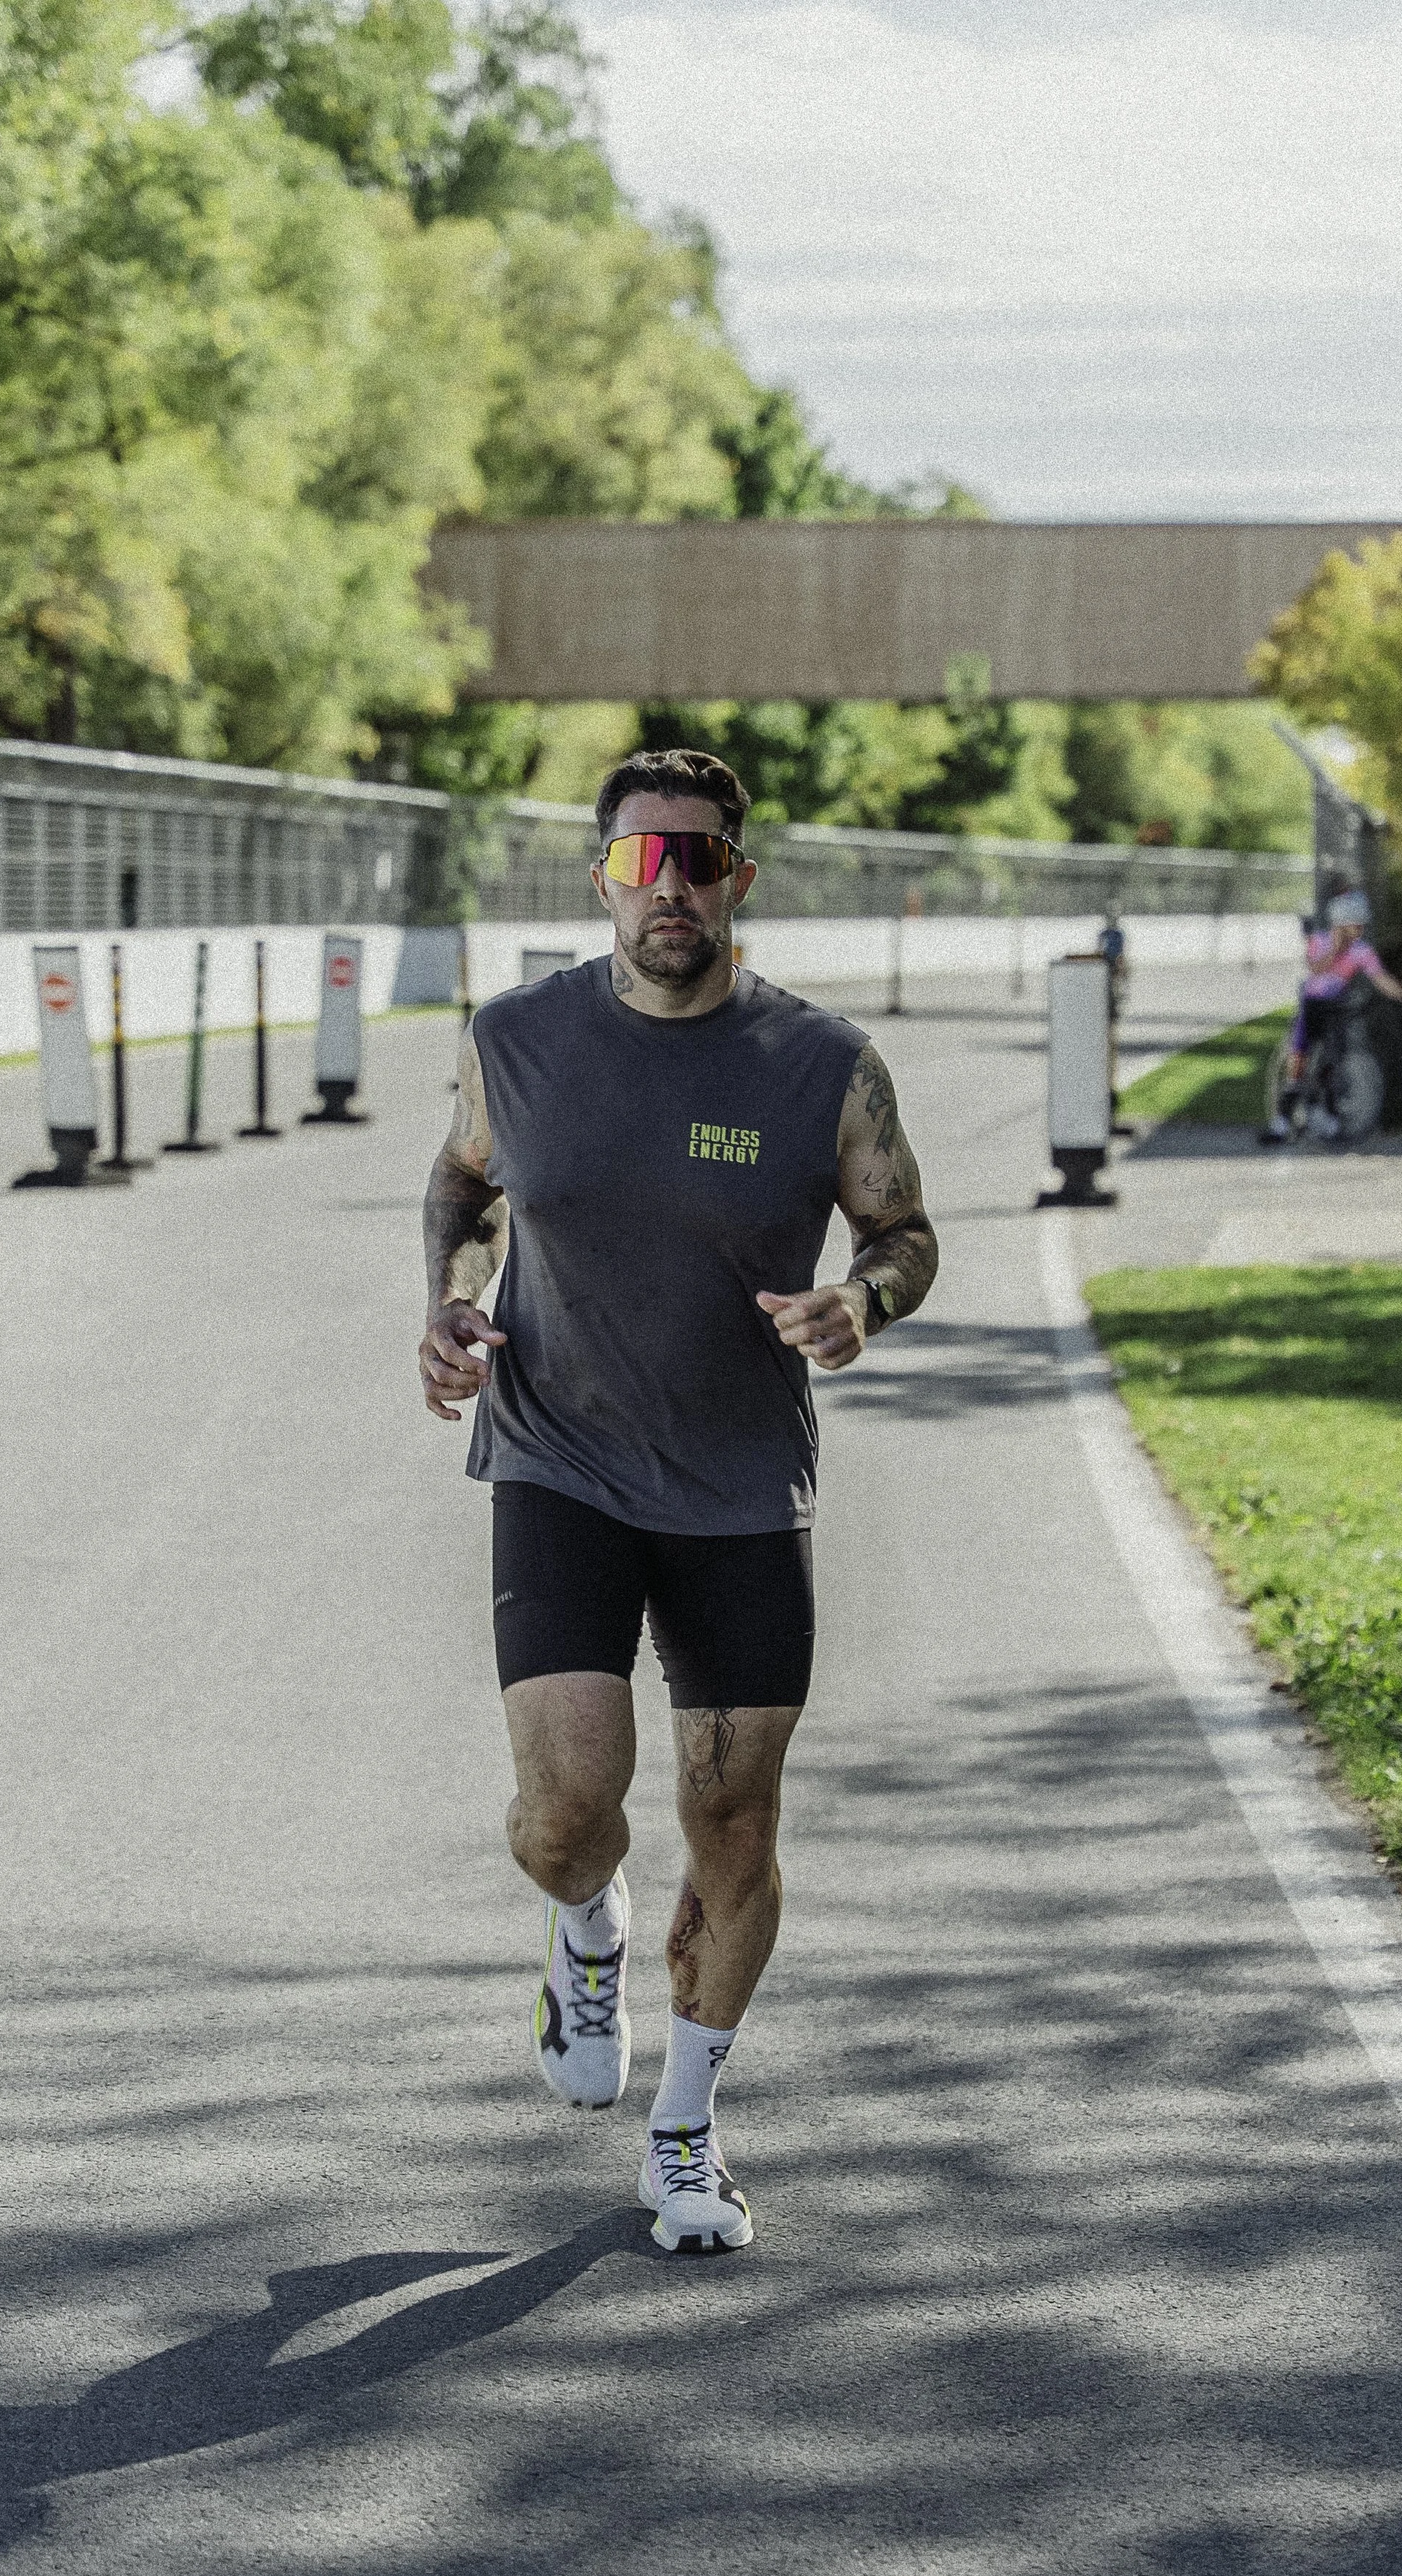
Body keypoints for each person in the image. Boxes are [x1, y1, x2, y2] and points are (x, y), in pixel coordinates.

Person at [418, 748, 938, 2255]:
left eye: (696, 861)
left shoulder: (820, 1064)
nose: (670, 889)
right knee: (566, 1811)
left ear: (737, 879)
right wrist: (448, 1301)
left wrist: (862, 1300)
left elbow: (901, 1226)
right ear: (601, 876)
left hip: (736, 1484)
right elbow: (465, 1182)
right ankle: (583, 1931)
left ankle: (687, 2124)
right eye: (642, 863)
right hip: (556, 1460)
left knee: (731, 1818)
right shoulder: (512, 1039)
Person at [1261, 888, 1402, 1144]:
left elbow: (1381, 979)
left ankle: (1330, 1116)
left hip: (1336, 1009)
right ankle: (1282, 1122)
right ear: (1342, 925)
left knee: (1334, 1061)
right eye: (1356, 926)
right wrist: (1335, 948)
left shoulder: (1362, 951)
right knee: (1298, 1059)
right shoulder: (1319, 941)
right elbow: (1316, 968)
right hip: (1312, 1006)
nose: (1361, 931)